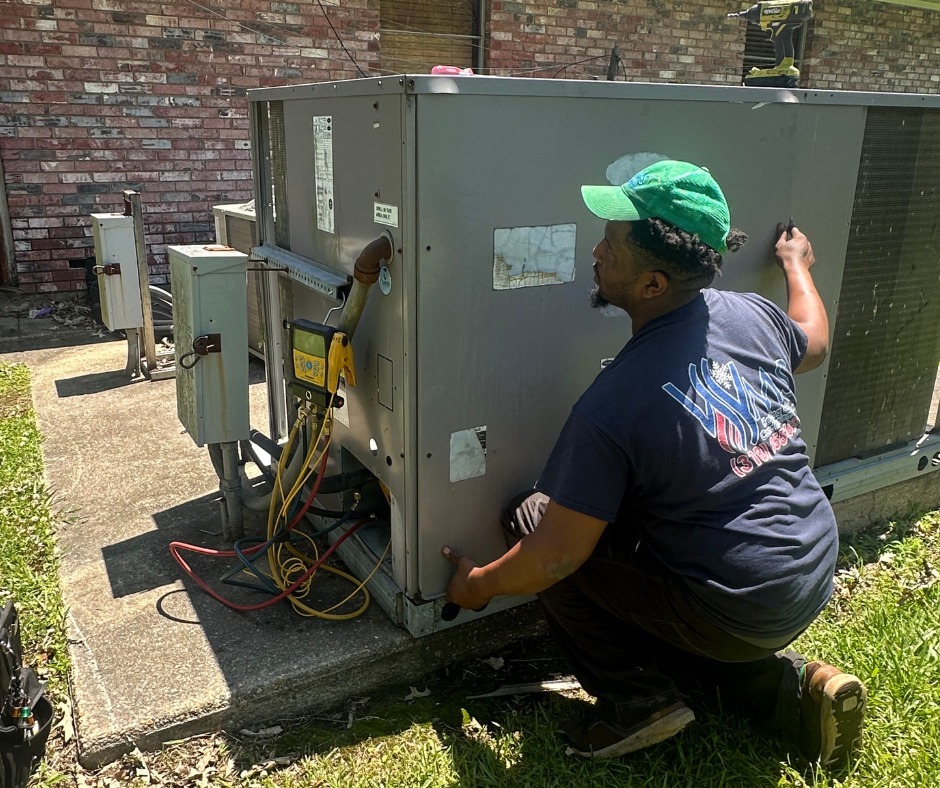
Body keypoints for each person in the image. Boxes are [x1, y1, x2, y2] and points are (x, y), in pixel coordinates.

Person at [442, 159, 866, 765]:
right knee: (675, 580)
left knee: (534, 521)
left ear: (651, 285)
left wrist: (477, 585)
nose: (596, 252)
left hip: (739, 600)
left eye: (612, 249)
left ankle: (636, 703)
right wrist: (797, 264)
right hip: (811, 563)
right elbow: (814, 340)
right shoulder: (750, 316)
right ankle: (795, 688)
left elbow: (556, 555)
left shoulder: (615, 402)